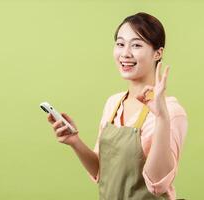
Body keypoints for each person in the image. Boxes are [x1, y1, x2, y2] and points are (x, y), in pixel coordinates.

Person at [47, 12, 188, 200]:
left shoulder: (171, 111)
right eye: (120, 44)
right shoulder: (113, 103)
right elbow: (101, 171)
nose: (125, 53)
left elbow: (157, 183)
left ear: (158, 53)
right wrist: (75, 141)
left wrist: (162, 118)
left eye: (136, 45)